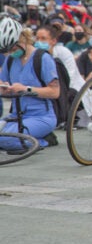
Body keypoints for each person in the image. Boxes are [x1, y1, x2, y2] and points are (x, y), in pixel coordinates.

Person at [0, 18, 60, 150]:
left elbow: (55, 92)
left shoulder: (43, 58)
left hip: (41, 116)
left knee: (6, 139)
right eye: (7, 50)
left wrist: (25, 89)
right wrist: (3, 88)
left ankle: (43, 140)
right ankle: (29, 139)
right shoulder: (10, 60)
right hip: (15, 116)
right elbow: (2, 80)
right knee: (4, 138)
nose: (10, 52)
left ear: (23, 39)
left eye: (13, 47)